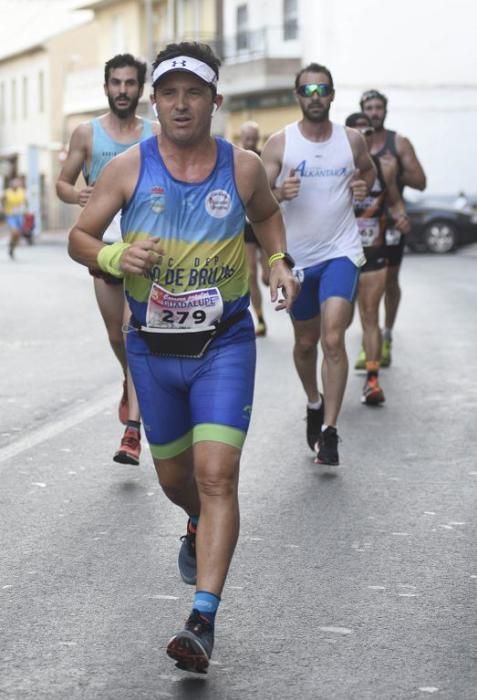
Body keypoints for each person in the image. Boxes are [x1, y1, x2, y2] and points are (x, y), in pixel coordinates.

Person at [68, 41, 299, 674]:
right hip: (151, 346)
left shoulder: (243, 167)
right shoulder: (129, 169)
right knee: (178, 482)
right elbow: (80, 238)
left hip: (222, 343)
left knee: (219, 474)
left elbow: (270, 220)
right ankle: (196, 521)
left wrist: (277, 263)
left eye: (193, 92)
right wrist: (115, 257)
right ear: (154, 101)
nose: (179, 104)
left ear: (214, 101)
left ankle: (202, 618)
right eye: (167, 93)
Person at [262, 63, 376, 466]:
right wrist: (280, 191)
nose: (315, 96)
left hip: (342, 251)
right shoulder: (280, 144)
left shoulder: (352, 140)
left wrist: (363, 186)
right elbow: (257, 202)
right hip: (299, 261)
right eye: (307, 89)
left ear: (331, 95)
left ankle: (330, 431)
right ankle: (313, 401)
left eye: (322, 89)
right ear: (297, 96)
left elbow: (368, 172)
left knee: (332, 338)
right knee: (306, 342)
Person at [56, 53, 159, 465]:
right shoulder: (87, 134)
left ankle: (132, 431)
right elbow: (63, 183)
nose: (122, 90)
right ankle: (128, 379)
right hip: (102, 249)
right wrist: (78, 195)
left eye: (130, 83)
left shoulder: (155, 132)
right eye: (116, 83)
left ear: (140, 89)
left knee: (133, 332)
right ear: (106, 88)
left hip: (147, 250)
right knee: (118, 337)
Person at [358, 89, 426, 367]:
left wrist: (395, 170)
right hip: (361, 222)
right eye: (369, 108)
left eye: (378, 108)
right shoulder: (355, 141)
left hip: (390, 220)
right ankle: (369, 341)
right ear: (362, 110)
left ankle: (386, 334)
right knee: (362, 285)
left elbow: (421, 181)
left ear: (385, 111)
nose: (374, 112)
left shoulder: (397, 142)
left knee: (389, 281)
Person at [345, 113, 410, 405]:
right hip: (341, 255)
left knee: (370, 314)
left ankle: (372, 381)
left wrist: (401, 216)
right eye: (357, 133)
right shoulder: (337, 168)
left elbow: (395, 201)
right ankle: (331, 375)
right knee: (338, 322)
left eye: (368, 132)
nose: (364, 138)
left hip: (374, 252)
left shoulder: (384, 168)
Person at [238, 120, 269, 336]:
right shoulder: (235, 159)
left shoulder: (264, 160)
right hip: (245, 225)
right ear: (241, 139)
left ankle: (269, 271)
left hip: (263, 221)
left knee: (266, 276)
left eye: (253, 138)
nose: (250, 142)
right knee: (251, 272)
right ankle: (260, 318)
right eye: (246, 138)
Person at [3, 176, 27, 259]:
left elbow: (25, 202)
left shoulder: (22, 192)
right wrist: (3, 209)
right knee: (14, 232)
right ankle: (11, 244)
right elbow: (2, 201)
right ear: (11, 184)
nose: (16, 184)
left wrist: (26, 210)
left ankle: (12, 248)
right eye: (14, 183)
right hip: (11, 215)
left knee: (17, 236)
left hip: (20, 215)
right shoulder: (7, 192)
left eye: (18, 182)